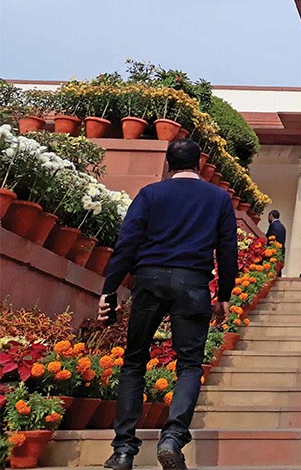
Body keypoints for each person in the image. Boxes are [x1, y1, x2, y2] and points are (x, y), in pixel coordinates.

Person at [98, 139, 237, 470]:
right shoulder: (217, 198)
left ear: (168, 164)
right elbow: (228, 249)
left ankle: (123, 451)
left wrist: (109, 289)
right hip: (192, 282)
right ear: (199, 165)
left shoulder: (151, 194)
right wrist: (226, 295)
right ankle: (173, 438)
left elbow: (127, 243)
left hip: (149, 279)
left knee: (134, 362)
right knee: (189, 365)